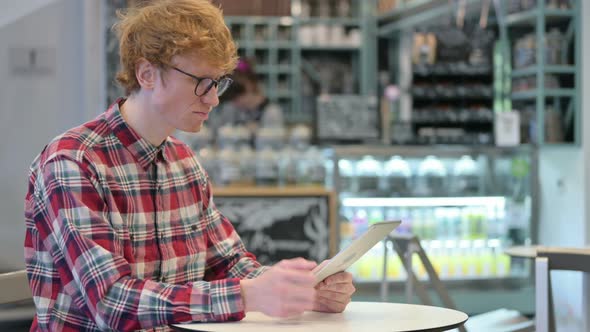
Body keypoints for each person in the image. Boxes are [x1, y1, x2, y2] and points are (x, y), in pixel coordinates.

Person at [23, 1, 355, 331]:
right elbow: (111, 304)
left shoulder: (183, 162)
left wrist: (301, 289)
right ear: (147, 74)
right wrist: (248, 295)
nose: (213, 99)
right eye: (202, 82)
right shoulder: (73, 162)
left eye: (218, 83)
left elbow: (227, 264)